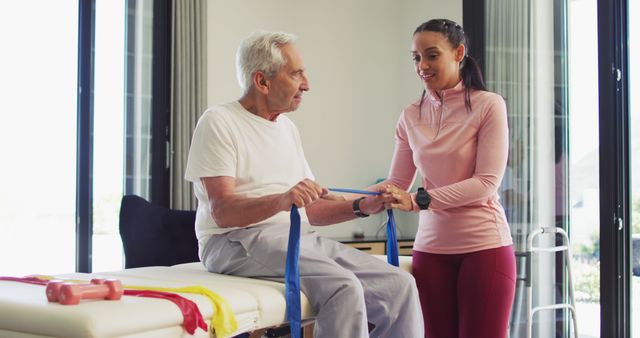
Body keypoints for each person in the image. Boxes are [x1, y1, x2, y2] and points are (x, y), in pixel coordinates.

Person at [184, 30, 423, 338]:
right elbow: (223, 212)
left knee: (399, 285)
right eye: (296, 74)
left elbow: (311, 209)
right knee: (343, 287)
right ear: (262, 81)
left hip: (296, 235)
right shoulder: (219, 121)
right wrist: (282, 200)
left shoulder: (286, 128)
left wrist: (363, 206)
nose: (306, 84)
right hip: (233, 241)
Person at [379, 19, 516, 338]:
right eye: (416, 58)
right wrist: (337, 199)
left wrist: (418, 201)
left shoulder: (488, 105)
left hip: (484, 247)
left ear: (459, 53)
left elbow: (486, 184)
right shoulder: (410, 115)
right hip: (431, 252)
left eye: (431, 55)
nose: (422, 66)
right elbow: (395, 185)